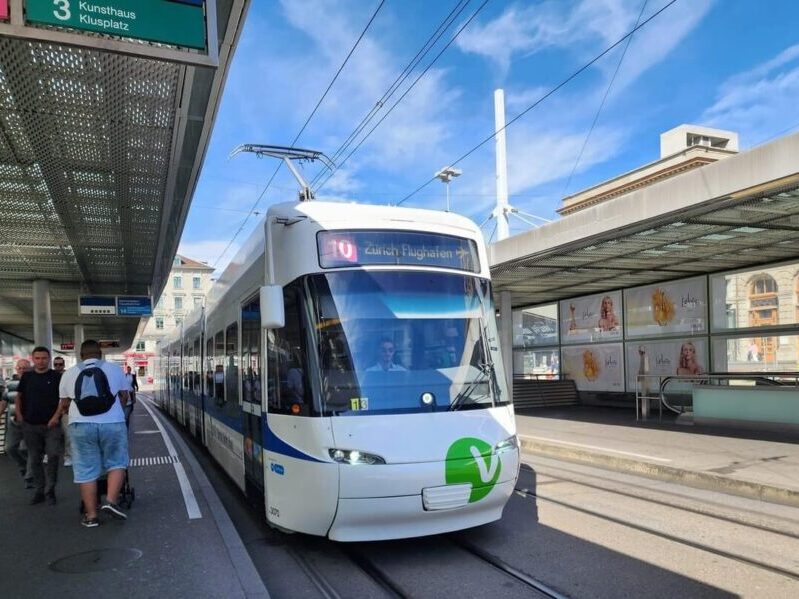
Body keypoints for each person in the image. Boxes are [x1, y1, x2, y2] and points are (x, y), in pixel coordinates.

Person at [56, 340, 130, 528]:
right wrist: (117, 412)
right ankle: (111, 501)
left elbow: (63, 404)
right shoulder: (114, 369)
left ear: (81, 355)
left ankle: (91, 516)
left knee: (86, 470)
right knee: (117, 462)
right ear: (100, 354)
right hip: (112, 423)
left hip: (80, 425)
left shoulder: (69, 373)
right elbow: (125, 396)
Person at [17, 347, 64, 505]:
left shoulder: (57, 377)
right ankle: (39, 490)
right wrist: (19, 414)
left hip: (52, 425)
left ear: (48, 359)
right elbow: (19, 396)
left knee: (53, 456)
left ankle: (50, 490)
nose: (40, 361)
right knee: (35, 458)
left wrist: (56, 417)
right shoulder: (27, 377)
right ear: (33, 359)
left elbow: (63, 400)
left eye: (44, 358)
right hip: (30, 424)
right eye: (37, 358)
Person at [3, 359, 33, 487]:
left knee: (28, 449)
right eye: (20, 368)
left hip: (30, 423)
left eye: (25, 368)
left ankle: (29, 477)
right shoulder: (10, 384)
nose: (22, 370)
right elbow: (4, 401)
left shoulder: (34, 382)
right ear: (16, 369)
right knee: (9, 448)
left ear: (30, 369)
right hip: (13, 422)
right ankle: (24, 467)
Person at [53, 357, 71, 467]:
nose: (58, 367)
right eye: (56, 364)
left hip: (65, 410)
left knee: (68, 435)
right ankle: (48, 454)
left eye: (60, 364)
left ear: (64, 365)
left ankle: (68, 456)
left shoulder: (68, 376)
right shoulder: (51, 376)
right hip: (53, 410)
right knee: (50, 434)